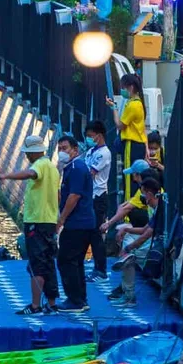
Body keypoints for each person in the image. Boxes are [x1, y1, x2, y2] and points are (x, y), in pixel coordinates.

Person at [0, 134, 61, 316]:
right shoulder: (53, 168)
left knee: (36, 264)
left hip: (37, 222)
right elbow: (57, 194)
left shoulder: (39, 165)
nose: (27, 156)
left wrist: (4, 176)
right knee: (48, 262)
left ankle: (35, 306)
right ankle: (51, 303)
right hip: (49, 221)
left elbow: (30, 173)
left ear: (35, 152)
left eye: (28, 153)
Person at [102, 178, 165, 306]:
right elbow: (144, 229)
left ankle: (128, 296)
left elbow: (145, 236)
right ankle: (125, 288)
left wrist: (127, 249)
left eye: (143, 194)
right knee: (128, 246)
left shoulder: (162, 209)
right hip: (156, 244)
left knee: (128, 257)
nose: (142, 198)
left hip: (160, 249)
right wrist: (126, 229)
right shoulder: (158, 208)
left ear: (149, 194)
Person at [54, 135, 94, 313]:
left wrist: (61, 219)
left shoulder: (77, 168)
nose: (61, 152)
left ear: (75, 150)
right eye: (59, 149)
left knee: (66, 259)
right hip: (81, 222)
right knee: (76, 261)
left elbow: (74, 196)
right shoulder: (71, 168)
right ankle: (80, 298)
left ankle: (75, 300)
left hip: (77, 223)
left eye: (65, 148)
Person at [107, 73, 147, 201]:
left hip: (132, 144)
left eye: (123, 87)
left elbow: (120, 125)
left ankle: (129, 207)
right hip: (139, 144)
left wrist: (114, 109)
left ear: (130, 87)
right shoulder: (138, 103)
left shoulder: (132, 105)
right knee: (136, 176)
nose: (122, 90)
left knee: (130, 178)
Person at [83, 121, 112, 282]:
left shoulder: (104, 153)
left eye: (90, 136)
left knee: (96, 234)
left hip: (98, 197)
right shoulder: (90, 152)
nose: (88, 139)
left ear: (99, 136)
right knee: (89, 232)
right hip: (89, 197)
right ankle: (95, 266)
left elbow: (90, 173)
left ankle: (101, 270)